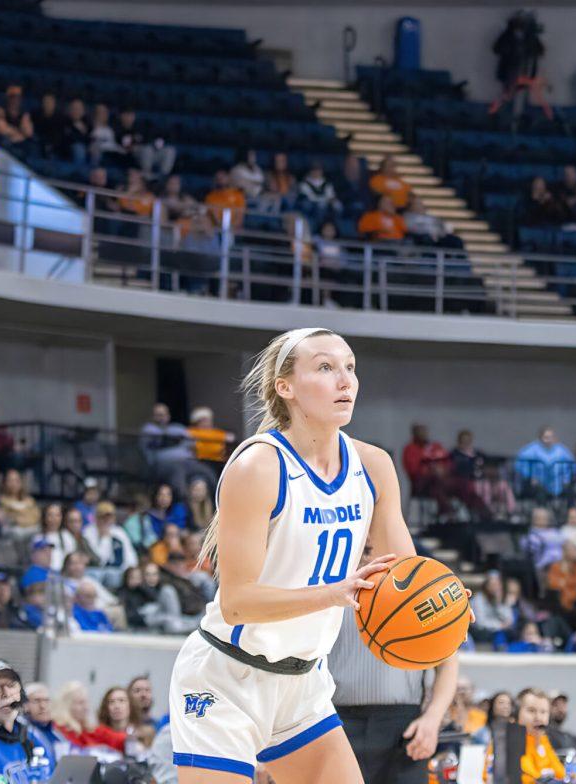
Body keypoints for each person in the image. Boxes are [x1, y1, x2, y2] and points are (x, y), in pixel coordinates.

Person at [169, 327, 432, 784]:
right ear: (285, 387)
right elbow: (237, 602)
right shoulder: (259, 466)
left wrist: (442, 600)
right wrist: (334, 594)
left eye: (350, 367)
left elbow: (404, 575)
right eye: (326, 368)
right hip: (226, 678)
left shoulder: (374, 466)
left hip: (302, 683)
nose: (345, 380)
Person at [329, 546, 459, 784]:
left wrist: (433, 718)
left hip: (403, 724)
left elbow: (449, 663)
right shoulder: (330, 587)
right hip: (336, 720)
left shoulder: (418, 587)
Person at [515, 427, 576, 498]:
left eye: (551, 437)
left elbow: (571, 464)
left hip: (557, 484)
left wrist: (566, 479)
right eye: (546, 437)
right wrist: (529, 476)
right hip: (538, 484)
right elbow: (520, 463)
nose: (549, 440)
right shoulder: (532, 449)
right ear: (540, 438)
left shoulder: (561, 449)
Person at [22, 683, 71, 762]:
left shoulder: (57, 733)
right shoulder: (22, 734)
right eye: (37, 701)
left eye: (47, 700)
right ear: (25, 705)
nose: (43, 706)